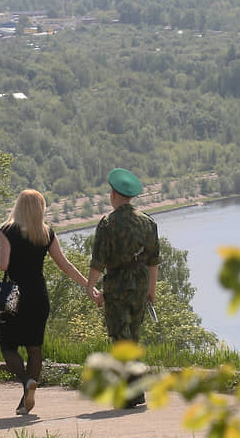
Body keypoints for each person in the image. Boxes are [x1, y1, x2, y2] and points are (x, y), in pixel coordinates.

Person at [0, 189, 97, 415]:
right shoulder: (46, 233)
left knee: (8, 347)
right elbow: (65, 265)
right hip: (38, 296)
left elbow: (3, 265)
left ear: (19, 206)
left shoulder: (6, 230)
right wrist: (88, 286)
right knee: (34, 349)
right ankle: (27, 395)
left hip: (14, 296)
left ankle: (25, 383)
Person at [86, 168, 160, 408]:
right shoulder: (148, 222)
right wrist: (152, 289)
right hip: (139, 282)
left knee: (120, 336)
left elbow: (98, 259)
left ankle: (132, 390)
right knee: (133, 336)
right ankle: (135, 390)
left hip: (117, 283)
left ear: (114, 194)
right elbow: (153, 260)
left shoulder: (108, 223)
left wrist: (90, 286)